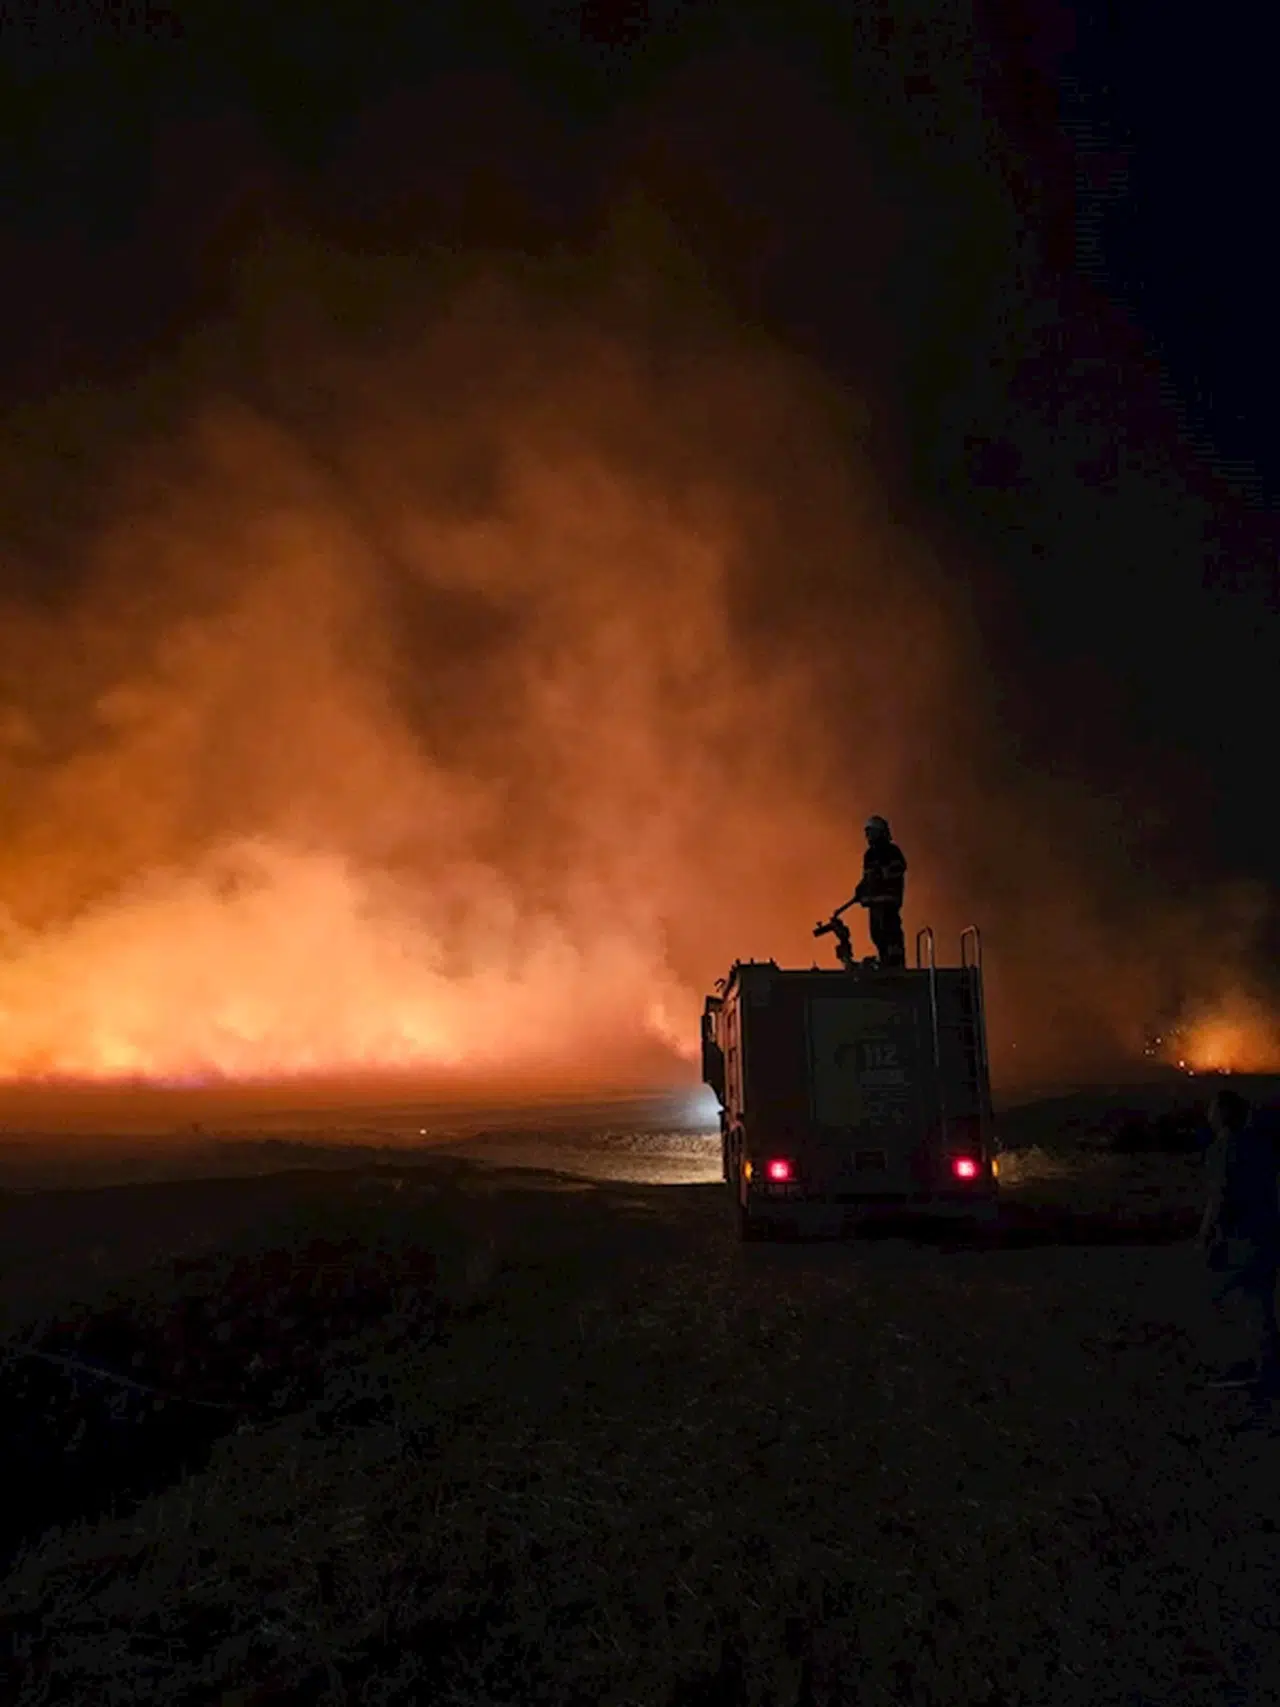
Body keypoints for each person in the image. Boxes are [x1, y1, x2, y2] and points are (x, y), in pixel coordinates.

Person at [1197, 1087, 1280, 1393]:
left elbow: (1219, 1196)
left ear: (1222, 1114)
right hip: (1265, 1232)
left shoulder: (1224, 1150)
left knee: (1247, 1300)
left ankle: (1262, 1367)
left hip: (1243, 1237)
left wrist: (1206, 1233)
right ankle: (1263, 1362)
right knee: (1259, 1300)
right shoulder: (1257, 1147)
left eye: (1212, 1109)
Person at [838, 815, 907, 969]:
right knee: (877, 934)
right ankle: (885, 962)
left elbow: (897, 870)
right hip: (874, 904)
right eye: (867, 833)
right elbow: (867, 878)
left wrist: (881, 874)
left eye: (871, 832)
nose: (868, 836)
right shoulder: (869, 855)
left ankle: (895, 965)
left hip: (888, 903)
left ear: (880, 832)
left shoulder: (892, 851)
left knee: (890, 934)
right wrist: (860, 889)